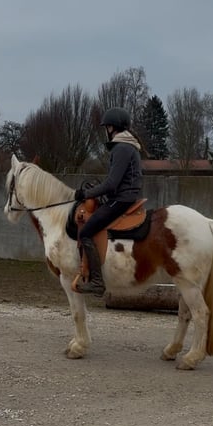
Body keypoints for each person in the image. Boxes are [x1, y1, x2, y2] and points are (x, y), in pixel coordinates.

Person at [73, 107, 143, 295]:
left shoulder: (121, 148)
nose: (106, 130)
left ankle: (97, 281)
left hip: (121, 199)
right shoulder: (130, 146)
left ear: (111, 127)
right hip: (126, 196)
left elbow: (112, 184)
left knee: (86, 231)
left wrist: (86, 194)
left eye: (107, 127)